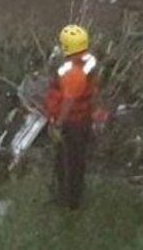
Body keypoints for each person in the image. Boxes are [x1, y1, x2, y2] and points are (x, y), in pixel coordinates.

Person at [44, 24, 106, 209]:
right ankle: (69, 196)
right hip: (81, 120)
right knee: (73, 160)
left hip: (72, 124)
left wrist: (58, 125)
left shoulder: (73, 74)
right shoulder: (88, 62)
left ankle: (68, 201)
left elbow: (68, 101)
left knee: (68, 161)